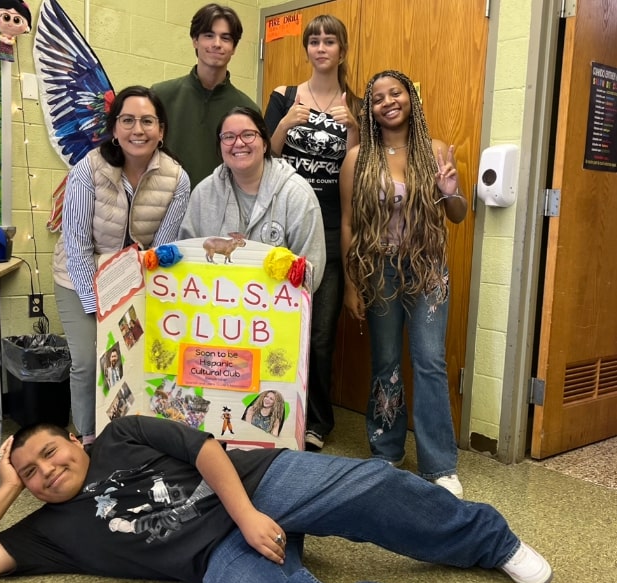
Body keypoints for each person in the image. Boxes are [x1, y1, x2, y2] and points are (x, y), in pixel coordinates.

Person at [0, 417, 553, 583]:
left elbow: (204, 448)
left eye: (49, 453)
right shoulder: (45, 532)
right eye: (31, 473)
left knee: (373, 486)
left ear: (74, 437)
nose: (46, 471)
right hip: (216, 557)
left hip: (257, 484)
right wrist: (5, 489)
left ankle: (491, 541)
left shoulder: (120, 432)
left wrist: (251, 515)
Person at [339, 70, 468, 498]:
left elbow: (457, 215)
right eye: (378, 98)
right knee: (387, 360)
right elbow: (348, 222)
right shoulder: (358, 157)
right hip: (379, 269)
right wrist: (352, 284)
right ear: (370, 110)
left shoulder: (435, 150)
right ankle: (386, 451)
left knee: (429, 360)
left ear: (411, 98)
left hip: (427, 267)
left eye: (396, 93)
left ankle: (440, 464)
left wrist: (451, 191)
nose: (388, 101)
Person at [52, 85, 190, 448]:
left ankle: (131, 433)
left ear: (161, 129)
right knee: (88, 359)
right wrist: (96, 307)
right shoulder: (89, 169)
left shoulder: (177, 179)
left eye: (147, 121)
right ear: (114, 129)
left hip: (133, 280)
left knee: (133, 356)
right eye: (127, 120)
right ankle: (88, 439)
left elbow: (159, 251)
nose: (137, 129)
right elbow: (77, 245)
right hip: (78, 278)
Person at [263, 15, 362, 451]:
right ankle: (275, 412)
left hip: (333, 226)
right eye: (314, 41)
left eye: (330, 41)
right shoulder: (283, 96)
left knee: (320, 334)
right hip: (284, 226)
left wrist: (355, 129)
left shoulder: (356, 104)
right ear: (306, 49)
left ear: (342, 49)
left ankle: (318, 420)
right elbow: (259, 154)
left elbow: (367, 168)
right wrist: (285, 123)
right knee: (279, 327)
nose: (321, 48)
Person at [178, 106, 326, 293]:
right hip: (213, 310)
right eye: (229, 137)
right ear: (220, 146)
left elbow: (311, 270)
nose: (238, 143)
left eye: (248, 135)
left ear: (264, 143)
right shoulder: (202, 194)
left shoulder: (297, 195)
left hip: (274, 312)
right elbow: (187, 257)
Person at [152, 3, 260, 189]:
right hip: (165, 208)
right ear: (195, 40)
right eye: (209, 36)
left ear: (234, 48)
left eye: (225, 38)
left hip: (222, 210)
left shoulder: (248, 109)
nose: (216, 44)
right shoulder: (160, 96)